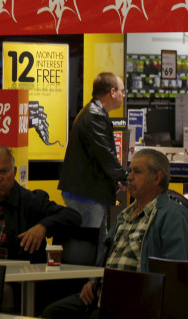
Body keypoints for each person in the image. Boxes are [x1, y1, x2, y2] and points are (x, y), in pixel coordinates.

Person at [41, 148, 188, 319]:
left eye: (137, 172)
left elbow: (176, 273)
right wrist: (93, 280)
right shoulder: (124, 215)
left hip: (139, 299)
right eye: (130, 171)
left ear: (156, 177)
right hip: (104, 293)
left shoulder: (172, 214)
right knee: (52, 312)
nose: (129, 177)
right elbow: (104, 255)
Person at [0, 146, 81, 262]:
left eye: (4, 171)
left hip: (13, 280)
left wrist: (43, 226)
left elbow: (73, 216)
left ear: (14, 172)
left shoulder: (32, 201)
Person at [58, 72, 129, 246]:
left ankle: (93, 274)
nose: (123, 95)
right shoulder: (95, 115)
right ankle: (88, 275)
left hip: (86, 192)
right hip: (86, 194)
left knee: (96, 244)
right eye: (122, 90)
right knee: (88, 247)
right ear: (112, 92)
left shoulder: (92, 112)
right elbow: (104, 154)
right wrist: (124, 178)